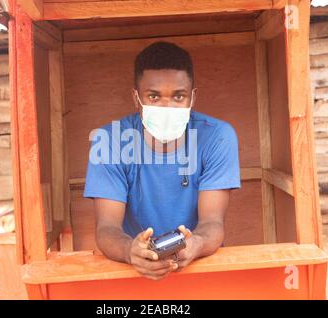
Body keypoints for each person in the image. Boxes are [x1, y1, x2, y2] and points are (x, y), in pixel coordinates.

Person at [84, 41, 240, 280]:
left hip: (200, 269)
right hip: (132, 274)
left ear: (192, 98)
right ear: (136, 99)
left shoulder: (217, 136)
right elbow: (107, 228)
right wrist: (130, 251)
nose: (167, 107)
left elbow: (213, 222)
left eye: (179, 96)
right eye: (154, 97)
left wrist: (196, 244)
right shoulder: (109, 141)